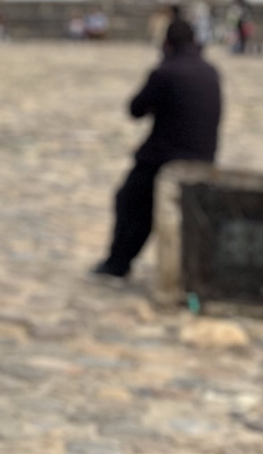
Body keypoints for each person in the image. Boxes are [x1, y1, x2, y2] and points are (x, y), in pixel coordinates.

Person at [92, 16, 221, 281]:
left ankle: (118, 262)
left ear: (167, 44)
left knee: (130, 200)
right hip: (204, 156)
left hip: (165, 158)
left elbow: (135, 109)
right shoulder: (210, 71)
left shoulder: (166, 72)